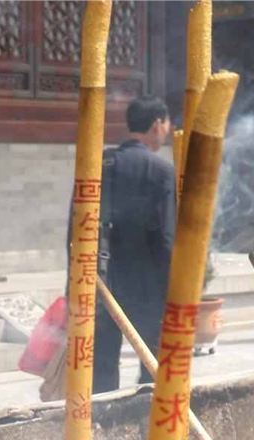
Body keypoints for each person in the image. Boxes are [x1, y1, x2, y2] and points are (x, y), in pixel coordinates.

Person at [66, 95, 176, 393]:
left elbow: (75, 230)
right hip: (147, 287)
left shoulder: (97, 165)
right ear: (157, 124)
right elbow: (167, 239)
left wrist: (74, 282)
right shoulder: (162, 172)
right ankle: (148, 431)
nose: (167, 130)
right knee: (153, 366)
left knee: (100, 368)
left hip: (99, 282)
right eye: (166, 124)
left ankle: (100, 429)